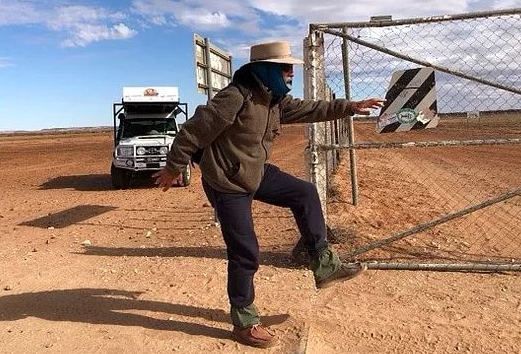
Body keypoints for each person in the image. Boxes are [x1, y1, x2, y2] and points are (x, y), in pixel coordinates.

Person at [152, 41, 385, 348]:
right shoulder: (234, 97)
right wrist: (173, 168)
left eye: (291, 69)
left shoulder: (274, 101)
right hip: (227, 182)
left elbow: (312, 108)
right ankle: (244, 321)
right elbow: (192, 132)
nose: (291, 74)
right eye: (285, 68)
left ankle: (325, 265)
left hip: (255, 173)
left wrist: (350, 107)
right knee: (245, 250)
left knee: (304, 193)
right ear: (265, 70)